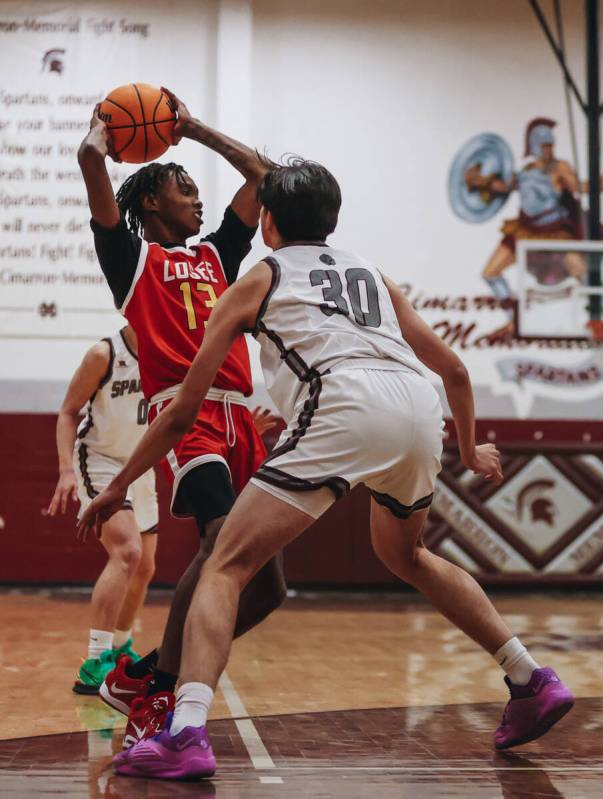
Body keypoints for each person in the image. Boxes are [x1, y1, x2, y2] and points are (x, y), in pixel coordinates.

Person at [80, 158, 574, 780]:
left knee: (225, 564)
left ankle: (182, 728)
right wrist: (470, 450)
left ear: (268, 220)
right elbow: (454, 371)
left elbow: (179, 415)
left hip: (341, 403)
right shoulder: (372, 273)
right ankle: (531, 678)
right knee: (409, 556)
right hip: (419, 408)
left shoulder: (257, 275)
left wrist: (120, 485)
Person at [76, 89, 286, 742]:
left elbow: (264, 177)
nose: (198, 199)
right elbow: (90, 162)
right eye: (185, 189)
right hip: (187, 420)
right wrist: (101, 136)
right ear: (149, 202)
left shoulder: (218, 255)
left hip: (244, 422)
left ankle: (144, 671)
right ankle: (165, 692)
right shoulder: (131, 260)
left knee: (269, 587)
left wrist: (191, 129)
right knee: (222, 543)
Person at [48, 324, 158, 693]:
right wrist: (66, 470)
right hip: (100, 460)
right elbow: (68, 412)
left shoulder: (170, 350)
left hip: (140, 464)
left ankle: (120, 647)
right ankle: (96, 659)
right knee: (127, 551)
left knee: (144, 567)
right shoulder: (104, 354)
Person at [466, 118, 584, 314]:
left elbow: (579, 187)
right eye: (545, 145)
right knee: (490, 272)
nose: (549, 149)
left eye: (551, 145)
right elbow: (503, 187)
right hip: (526, 230)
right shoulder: (525, 171)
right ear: (535, 145)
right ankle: (514, 317)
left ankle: (596, 316)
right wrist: (479, 181)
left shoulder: (560, 167)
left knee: (581, 270)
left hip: (555, 231)